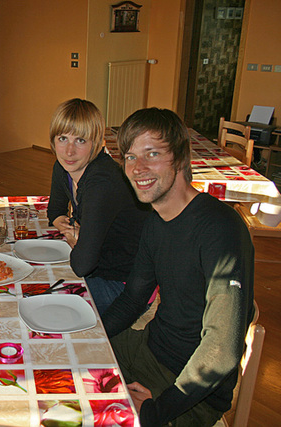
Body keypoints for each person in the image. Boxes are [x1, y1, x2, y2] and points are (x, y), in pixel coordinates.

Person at [103, 108, 255, 426]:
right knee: (67, 364)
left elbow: (222, 347)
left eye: (152, 154)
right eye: (130, 157)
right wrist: (90, 335)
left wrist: (152, 412)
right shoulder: (155, 223)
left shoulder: (221, 229)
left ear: (180, 158)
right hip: (150, 348)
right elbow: (133, 300)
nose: (137, 168)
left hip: (191, 390)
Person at [47, 98, 150, 314]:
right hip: (101, 266)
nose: (69, 151)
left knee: (47, 305)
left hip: (126, 285)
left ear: (98, 142)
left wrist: (80, 239)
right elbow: (55, 211)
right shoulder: (64, 167)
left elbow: (83, 264)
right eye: (63, 138)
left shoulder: (102, 183)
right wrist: (69, 229)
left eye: (81, 140)